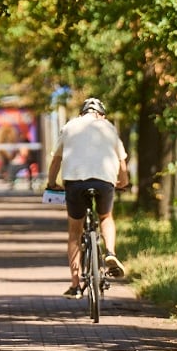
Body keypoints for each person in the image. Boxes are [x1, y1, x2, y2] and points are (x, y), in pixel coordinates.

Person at [46, 97, 130, 299]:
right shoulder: (108, 127)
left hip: (75, 182)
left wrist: (51, 183)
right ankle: (110, 252)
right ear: (101, 114)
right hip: (104, 181)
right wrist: (123, 182)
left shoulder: (69, 126)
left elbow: (56, 160)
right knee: (106, 217)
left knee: (75, 231)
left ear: (81, 113)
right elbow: (122, 162)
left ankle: (75, 284)